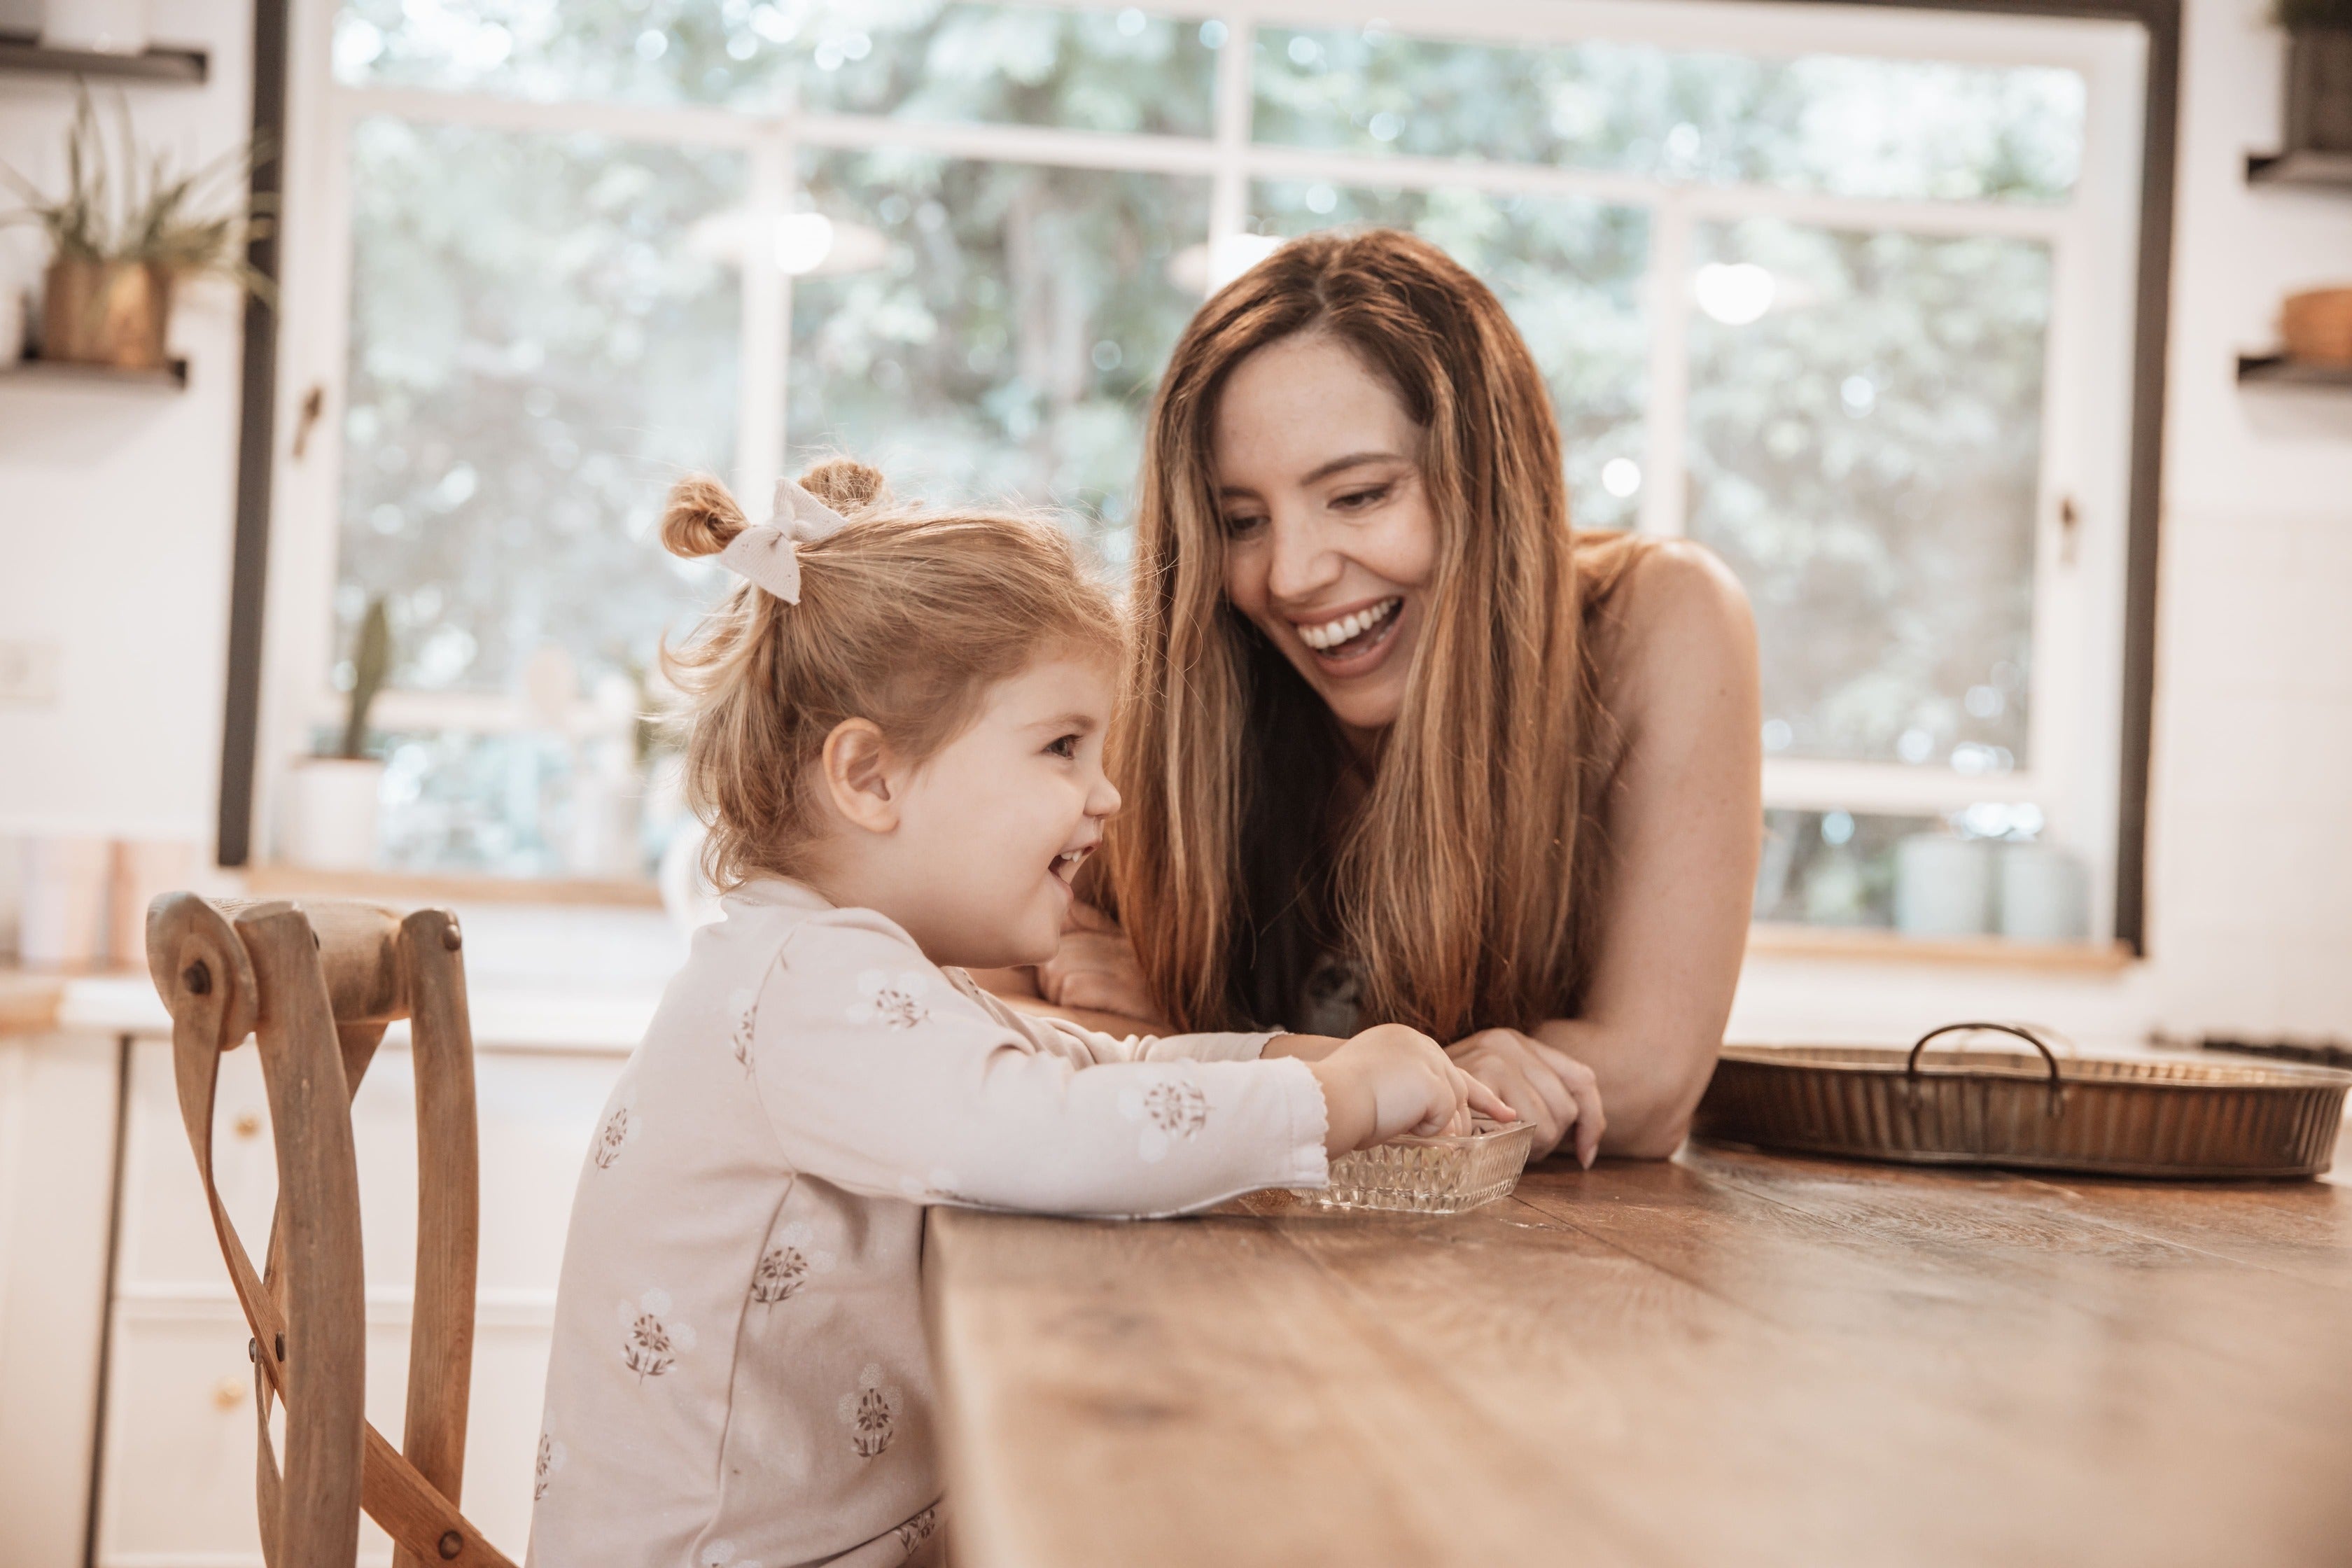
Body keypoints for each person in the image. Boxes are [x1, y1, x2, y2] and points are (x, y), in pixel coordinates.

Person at [528, 458, 1510, 1568]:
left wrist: (1278, 1051)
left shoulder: (856, 975)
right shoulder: (807, 986)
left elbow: (1071, 1070)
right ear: (873, 780)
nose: (1108, 795)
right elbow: (1040, 1130)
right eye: (1061, 747)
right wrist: (1326, 1099)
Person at [998, 229, 1763, 1167]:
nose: (1291, 575)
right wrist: (1194, 1053)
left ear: (1489, 482)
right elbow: (960, 1001)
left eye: (1359, 496)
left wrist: (1203, 1058)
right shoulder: (1178, 673)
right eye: (1241, 522)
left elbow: (1649, 1085)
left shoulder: (1661, 616)